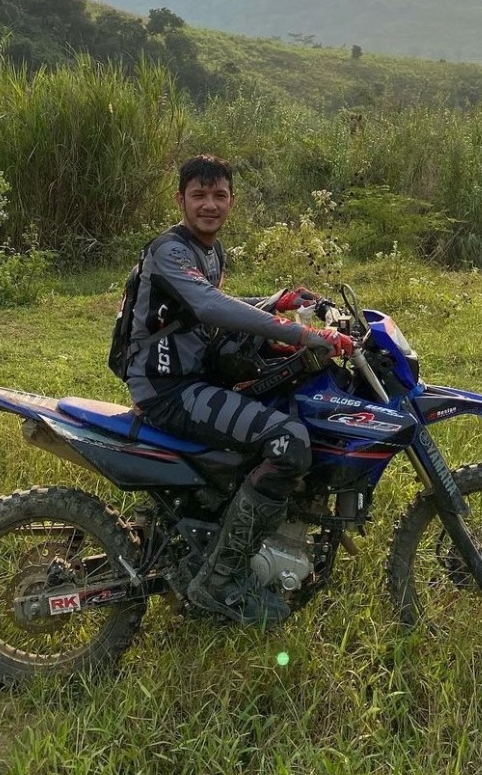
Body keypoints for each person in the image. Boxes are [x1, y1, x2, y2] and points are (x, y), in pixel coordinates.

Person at [125, 153, 354, 627]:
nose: (209, 204)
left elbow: (210, 303)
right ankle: (219, 581)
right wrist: (305, 334)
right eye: (199, 195)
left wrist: (278, 300)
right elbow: (209, 306)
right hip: (169, 388)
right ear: (180, 200)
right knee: (289, 441)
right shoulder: (169, 250)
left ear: (232, 200)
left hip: (195, 376)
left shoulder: (210, 251)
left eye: (219, 195)